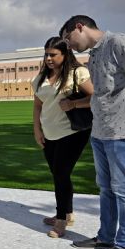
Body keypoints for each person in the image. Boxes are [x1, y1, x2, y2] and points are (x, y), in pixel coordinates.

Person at [60, 15, 125, 249]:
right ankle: (105, 237)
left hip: (124, 130)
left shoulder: (119, 42)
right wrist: (73, 104)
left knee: (124, 188)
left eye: (68, 38)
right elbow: (99, 96)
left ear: (79, 27)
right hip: (101, 131)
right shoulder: (94, 54)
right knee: (106, 188)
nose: (68, 45)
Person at [32, 37, 94, 238]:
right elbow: (38, 105)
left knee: (60, 173)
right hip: (49, 133)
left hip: (73, 132)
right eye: (46, 54)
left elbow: (95, 97)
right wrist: (37, 130)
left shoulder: (78, 73)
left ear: (65, 55)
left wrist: (74, 104)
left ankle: (60, 221)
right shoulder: (41, 77)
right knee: (59, 174)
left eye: (53, 54)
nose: (48, 58)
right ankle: (67, 214)